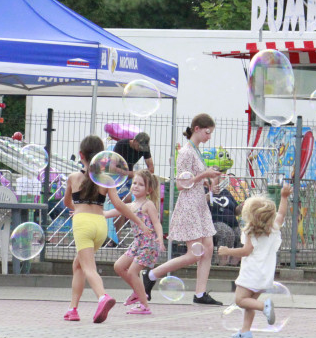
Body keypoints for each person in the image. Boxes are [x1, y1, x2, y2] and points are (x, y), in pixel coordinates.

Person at [63, 135, 152, 323]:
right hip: (100, 225)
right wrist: (140, 222)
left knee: (88, 267)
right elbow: (120, 205)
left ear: (81, 155)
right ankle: (73, 309)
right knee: (78, 264)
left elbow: (67, 202)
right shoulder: (107, 180)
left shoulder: (73, 178)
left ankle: (102, 297)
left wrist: (78, 209)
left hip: (83, 224)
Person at [143, 114, 223, 305]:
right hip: (190, 205)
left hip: (199, 204)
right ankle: (151, 274)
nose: (209, 136)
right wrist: (204, 175)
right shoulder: (187, 152)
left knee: (208, 249)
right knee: (194, 253)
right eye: (207, 132)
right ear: (197, 129)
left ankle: (200, 293)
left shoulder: (195, 150)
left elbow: (194, 180)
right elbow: (180, 184)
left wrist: (210, 183)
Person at [217, 185, 291, 338]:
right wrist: (284, 197)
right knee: (249, 303)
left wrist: (227, 251)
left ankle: (264, 306)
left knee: (240, 300)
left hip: (251, 273)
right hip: (265, 275)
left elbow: (246, 251)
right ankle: (245, 331)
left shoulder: (249, 231)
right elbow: (282, 214)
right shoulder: (274, 227)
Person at [105, 170, 165, 315]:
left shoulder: (148, 204)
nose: (136, 186)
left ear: (149, 189)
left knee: (132, 272)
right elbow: (107, 213)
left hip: (148, 244)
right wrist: (85, 211)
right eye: (134, 183)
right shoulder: (130, 205)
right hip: (138, 243)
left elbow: (157, 223)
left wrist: (160, 238)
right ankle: (138, 292)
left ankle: (144, 305)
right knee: (119, 266)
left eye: (141, 185)